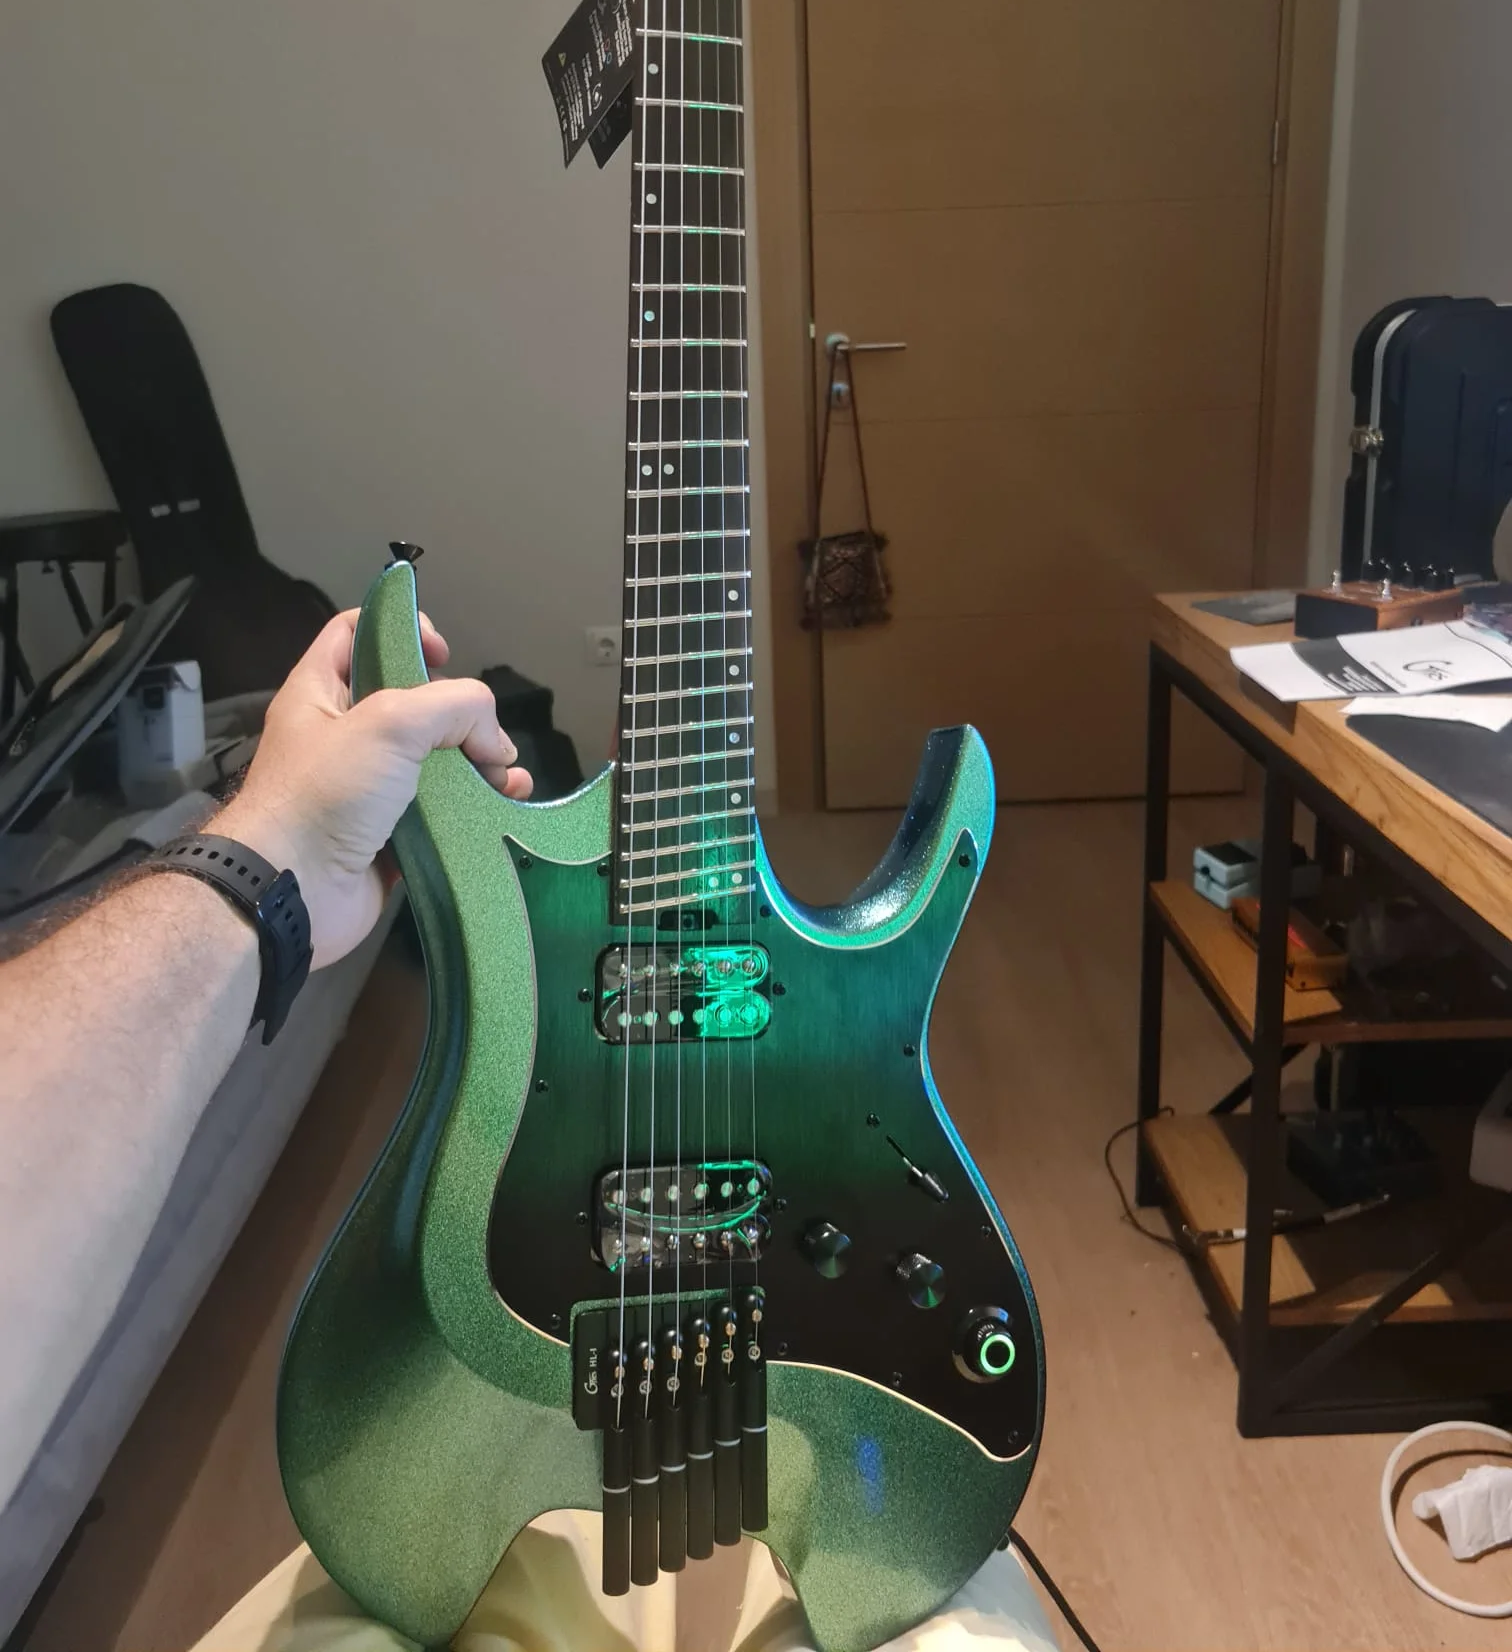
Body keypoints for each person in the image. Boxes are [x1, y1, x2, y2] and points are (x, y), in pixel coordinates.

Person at [0, 613, 1058, 1652]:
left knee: (894, 1572)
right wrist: (272, 850)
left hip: (780, 1380)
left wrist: (265, 858)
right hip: (452, 1375)